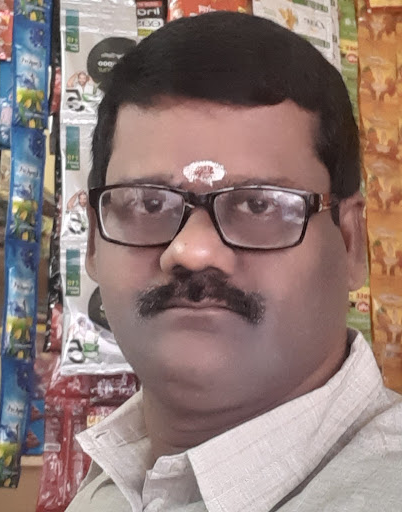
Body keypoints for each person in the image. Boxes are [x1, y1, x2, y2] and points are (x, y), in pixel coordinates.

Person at [65, 12, 402, 512]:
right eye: (148, 204)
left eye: (260, 205)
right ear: (93, 242)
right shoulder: (111, 486)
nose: (192, 251)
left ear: (351, 242)